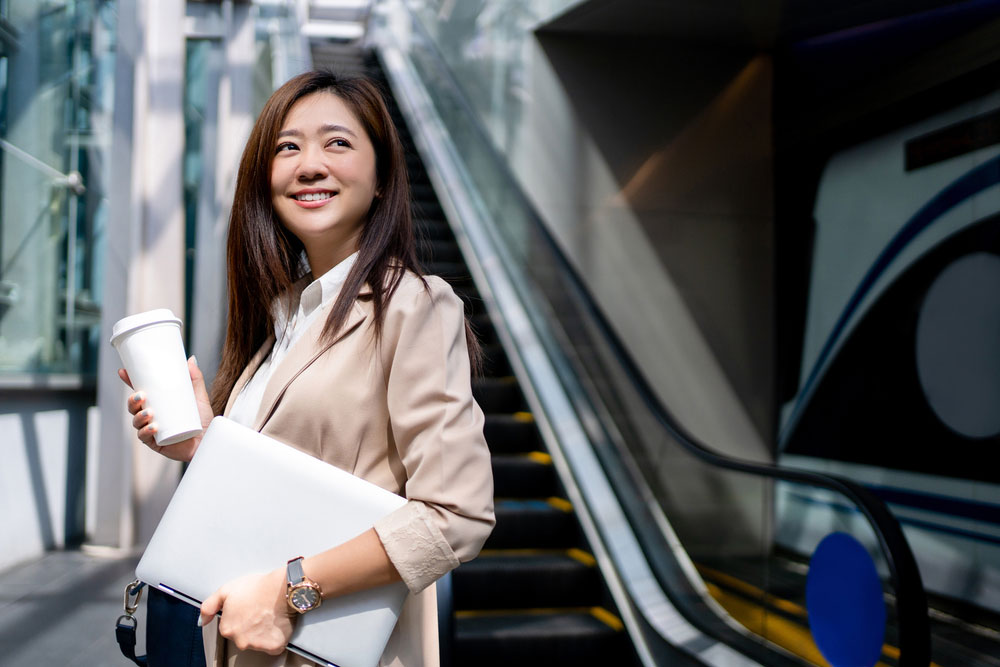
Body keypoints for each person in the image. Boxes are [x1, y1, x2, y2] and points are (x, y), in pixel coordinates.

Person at [119, 70, 496, 667]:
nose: (310, 165)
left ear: (381, 179)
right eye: (287, 147)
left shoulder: (414, 304)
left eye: (338, 143)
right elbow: (292, 479)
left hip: (319, 647)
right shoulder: (286, 313)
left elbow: (455, 516)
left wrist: (290, 590)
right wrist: (205, 445)